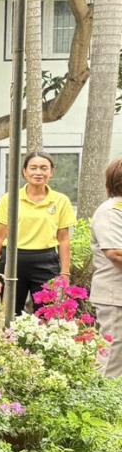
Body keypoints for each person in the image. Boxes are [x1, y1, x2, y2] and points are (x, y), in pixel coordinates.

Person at [0, 152, 75, 315]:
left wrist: (65, 273)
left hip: (46, 261)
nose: (38, 172)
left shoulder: (61, 200)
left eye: (44, 168)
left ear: (51, 172)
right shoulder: (10, 198)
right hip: (13, 261)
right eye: (33, 168)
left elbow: (64, 239)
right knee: (9, 314)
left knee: (48, 314)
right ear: (24, 171)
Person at [88, 158, 122, 377]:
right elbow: (115, 253)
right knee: (112, 356)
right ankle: (101, 395)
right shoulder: (110, 211)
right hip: (115, 296)